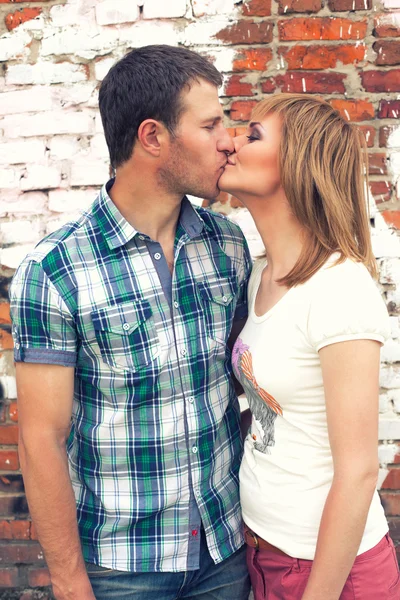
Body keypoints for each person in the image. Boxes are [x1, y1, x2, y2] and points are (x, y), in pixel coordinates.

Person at [9, 45, 252, 600]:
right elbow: (41, 439)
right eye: (212, 123)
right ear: (152, 137)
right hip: (123, 571)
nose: (228, 139)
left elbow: (246, 385)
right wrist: (72, 586)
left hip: (225, 552)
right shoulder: (55, 271)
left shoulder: (228, 248)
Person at [218, 93, 399, 600]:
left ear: (297, 164)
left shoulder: (339, 288)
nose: (230, 141)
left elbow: (360, 472)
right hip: (265, 554)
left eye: (252, 134)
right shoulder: (259, 278)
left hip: (331, 574)